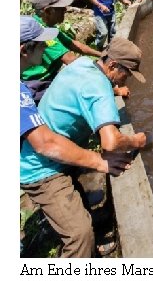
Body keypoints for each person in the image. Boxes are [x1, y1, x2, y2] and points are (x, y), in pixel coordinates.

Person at [20, 18, 140, 257]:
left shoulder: (83, 65)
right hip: (41, 169)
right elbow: (111, 142)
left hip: (53, 156)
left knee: (77, 202)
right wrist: (136, 141)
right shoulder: (98, 86)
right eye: (41, 45)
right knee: (79, 236)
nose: (47, 49)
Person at [21, 0, 104, 102]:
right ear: (48, 11)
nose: (65, 9)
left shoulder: (48, 26)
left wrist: (101, 54)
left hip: (50, 77)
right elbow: (71, 60)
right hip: (39, 85)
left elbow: (74, 45)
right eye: (60, 8)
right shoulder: (39, 34)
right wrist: (105, 73)